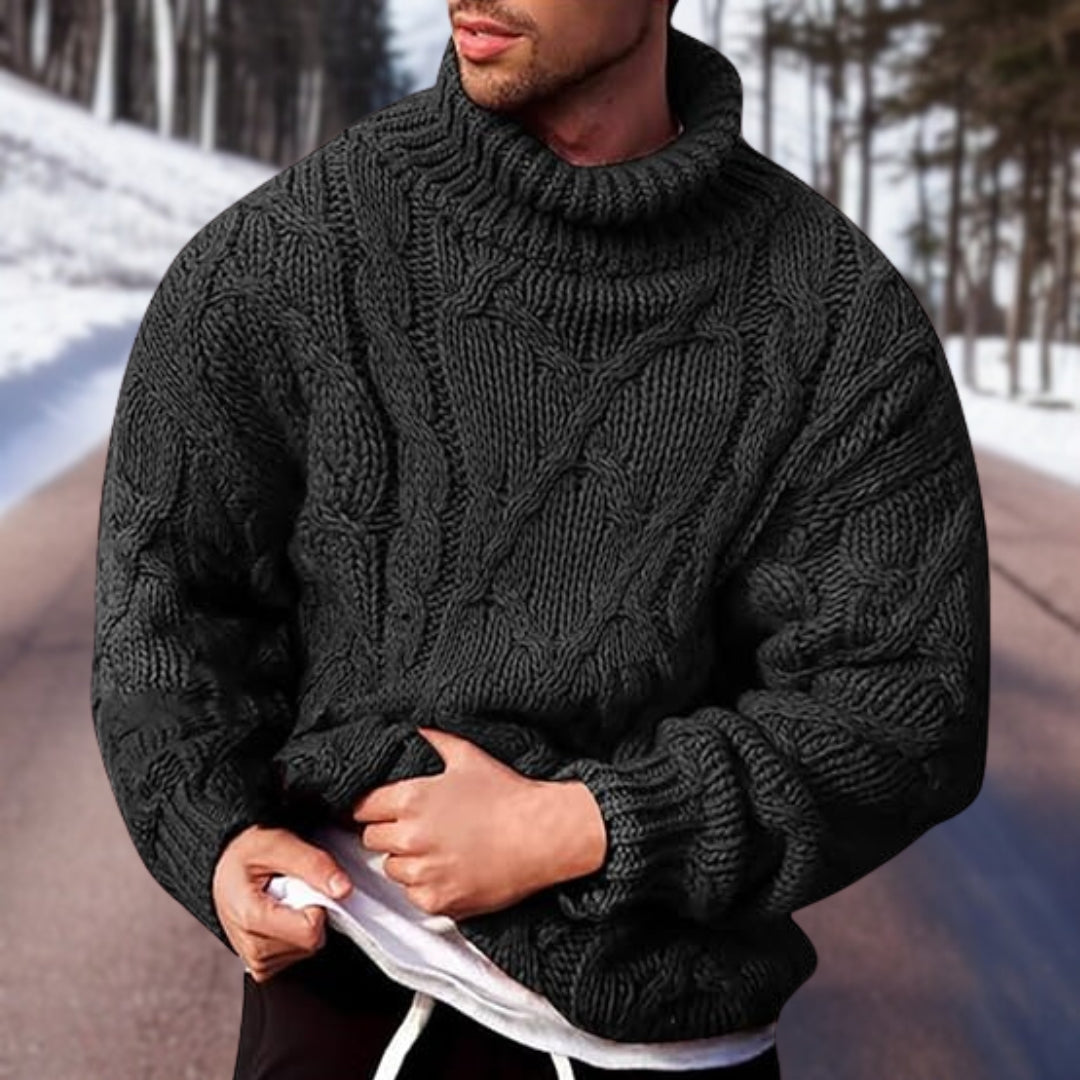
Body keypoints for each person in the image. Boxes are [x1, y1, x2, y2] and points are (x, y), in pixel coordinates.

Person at [89, 0, 991, 1077]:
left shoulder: (839, 320)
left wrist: (580, 827)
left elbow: (905, 707)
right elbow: (167, 609)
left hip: (668, 1044)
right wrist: (216, 838)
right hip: (346, 1010)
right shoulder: (282, 258)